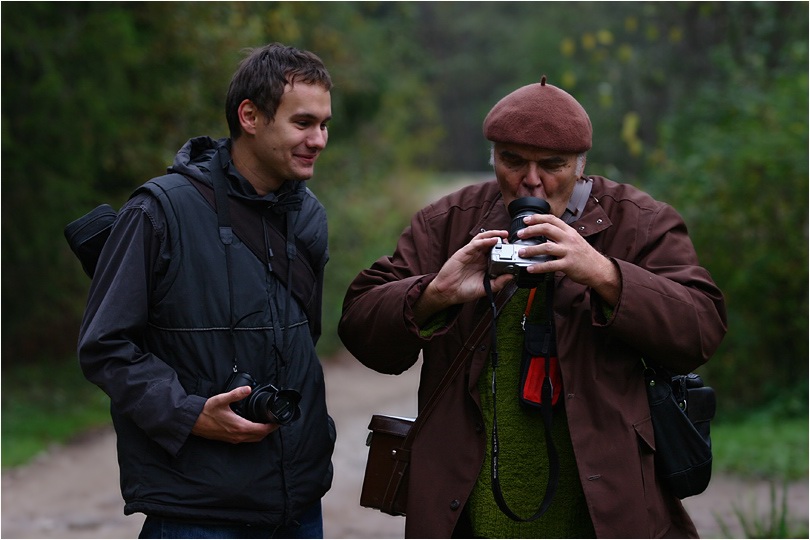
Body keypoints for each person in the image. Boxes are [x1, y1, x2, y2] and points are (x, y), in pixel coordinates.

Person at [338, 76, 727, 538]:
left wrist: (604, 274)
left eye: (553, 165)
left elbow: (701, 328)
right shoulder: (449, 222)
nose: (531, 180)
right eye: (512, 161)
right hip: (471, 513)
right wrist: (434, 294)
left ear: (581, 166)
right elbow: (360, 326)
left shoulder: (638, 222)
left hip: (601, 511)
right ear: (493, 158)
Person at [78, 43, 336, 539]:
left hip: (299, 506)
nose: (319, 139)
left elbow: (304, 341)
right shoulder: (158, 212)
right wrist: (189, 413)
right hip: (196, 512)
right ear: (250, 116)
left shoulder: (307, 215)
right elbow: (104, 347)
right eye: (304, 122)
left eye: (325, 124)